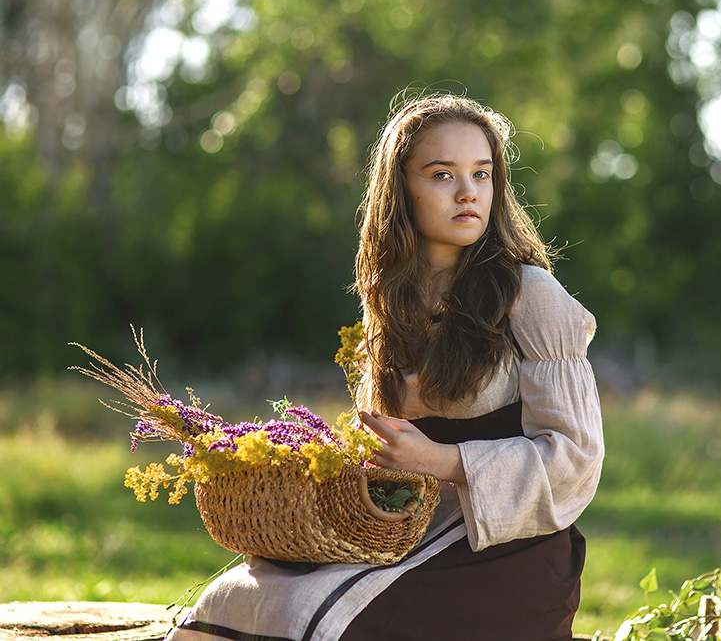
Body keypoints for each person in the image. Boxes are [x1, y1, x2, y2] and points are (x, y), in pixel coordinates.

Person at [167, 92, 603, 641]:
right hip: (397, 530)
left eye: (482, 173)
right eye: (443, 174)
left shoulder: (529, 294)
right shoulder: (391, 298)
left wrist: (442, 459)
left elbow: (576, 457)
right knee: (234, 598)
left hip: (503, 552)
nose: (469, 191)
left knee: (317, 616)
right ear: (402, 189)